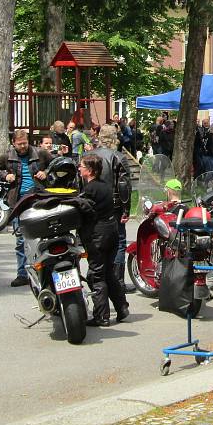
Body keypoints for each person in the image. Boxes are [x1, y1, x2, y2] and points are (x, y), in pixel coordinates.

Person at [0, 130, 53, 287]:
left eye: (25, 142)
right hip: (18, 202)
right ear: (14, 143)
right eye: (20, 144)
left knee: (42, 237)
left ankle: (44, 271)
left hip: (38, 199)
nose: (23, 146)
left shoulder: (40, 153)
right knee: (20, 240)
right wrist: (5, 176)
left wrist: (45, 172)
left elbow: (55, 165)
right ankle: (22, 274)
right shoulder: (8, 156)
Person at [78, 153, 129, 326]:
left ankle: (102, 316)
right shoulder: (105, 186)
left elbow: (83, 210)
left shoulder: (90, 189)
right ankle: (122, 308)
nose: (79, 168)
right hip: (111, 232)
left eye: (82, 166)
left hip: (98, 235)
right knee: (108, 273)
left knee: (96, 275)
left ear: (90, 170)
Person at [94, 124, 133, 294]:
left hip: (93, 205)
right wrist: (126, 209)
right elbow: (124, 185)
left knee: (96, 243)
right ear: (114, 138)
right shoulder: (118, 157)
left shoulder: (88, 156)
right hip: (114, 206)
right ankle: (117, 282)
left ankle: (98, 279)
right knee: (119, 242)